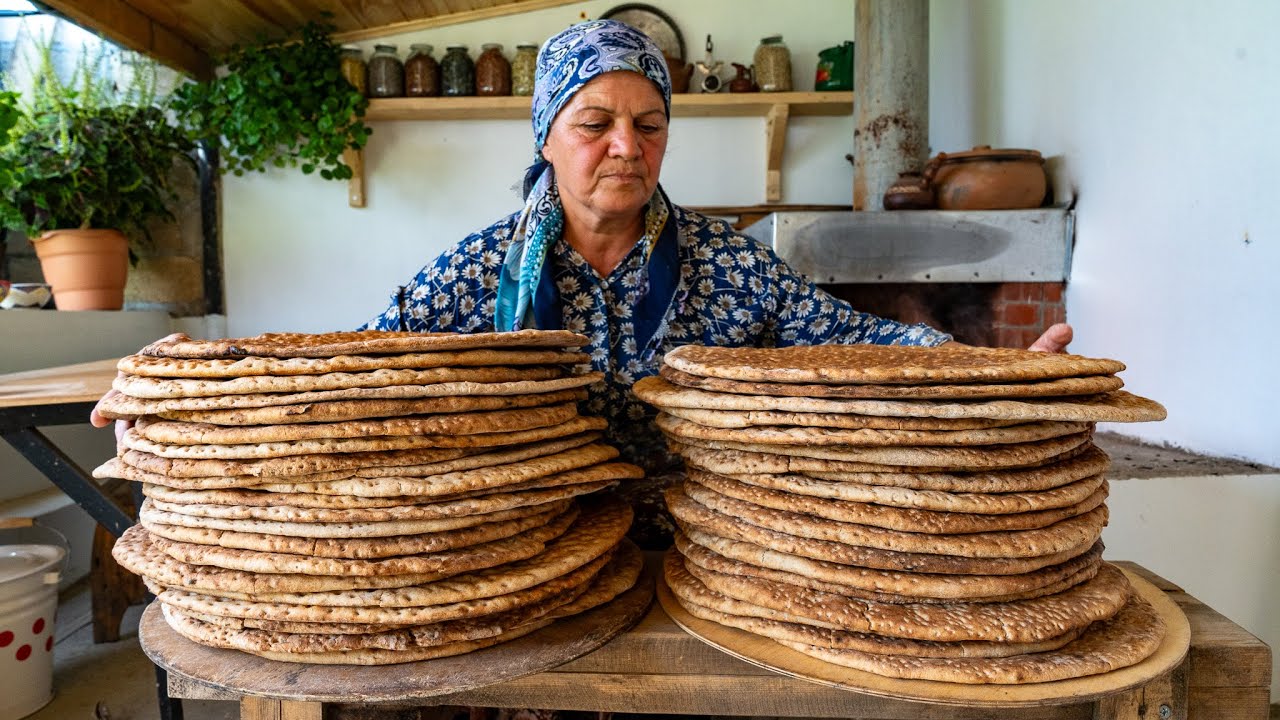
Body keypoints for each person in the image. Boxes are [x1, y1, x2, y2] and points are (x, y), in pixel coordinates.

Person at [357, 19, 1072, 546]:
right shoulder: (479, 272)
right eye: (594, 123)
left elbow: (857, 339)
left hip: (703, 549)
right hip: (530, 548)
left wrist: (990, 373)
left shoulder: (727, 265)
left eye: (649, 124)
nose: (627, 146)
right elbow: (359, 369)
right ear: (545, 135)